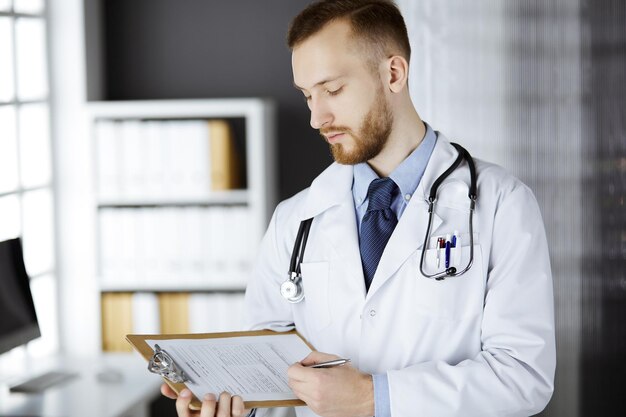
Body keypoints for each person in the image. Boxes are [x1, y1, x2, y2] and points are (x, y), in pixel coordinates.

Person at [162, 1, 556, 416]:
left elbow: (522, 376)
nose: (317, 117)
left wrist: (374, 397)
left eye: (332, 90)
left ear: (393, 74)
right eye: (308, 95)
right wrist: (240, 408)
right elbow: (274, 375)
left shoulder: (501, 205)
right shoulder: (295, 219)